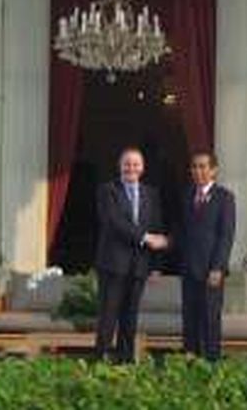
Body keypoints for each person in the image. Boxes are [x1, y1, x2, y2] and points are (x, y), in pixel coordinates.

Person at [94, 148, 168, 362]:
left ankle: (126, 360)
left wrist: (156, 265)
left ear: (142, 168)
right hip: (112, 264)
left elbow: (157, 226)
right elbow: (114, 222)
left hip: (139, 266)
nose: (131, 168)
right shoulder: (107, 190)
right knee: (108, 315)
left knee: (130, 315)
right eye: (127, 164)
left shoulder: (151, 194)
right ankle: (101, 360)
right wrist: (145, 238)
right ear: (120, 166)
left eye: (135, 164)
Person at [178, 151, 235, 361]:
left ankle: (211, 363)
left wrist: (218, 267)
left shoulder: (225, 198)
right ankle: (190, 361)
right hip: (189, 268)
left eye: (203, 167)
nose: (198, 171)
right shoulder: (186, 195)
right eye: (194, 167)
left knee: (210, 318)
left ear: (213, 170)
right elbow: (182, 231)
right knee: (189, 317)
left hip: (212, 271)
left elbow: (226, 235)